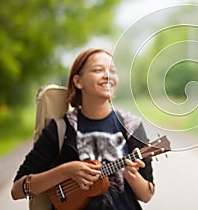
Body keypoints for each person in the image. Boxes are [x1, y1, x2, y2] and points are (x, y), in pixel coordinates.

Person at [11, 48, 154, 210]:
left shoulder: (132, 126)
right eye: (98, 70)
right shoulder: (61, 129)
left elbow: (146, 195)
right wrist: (65, 171)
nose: (108, 76)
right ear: (78, 82)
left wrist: (132, 177)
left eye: (112, 71)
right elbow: (17, 190)